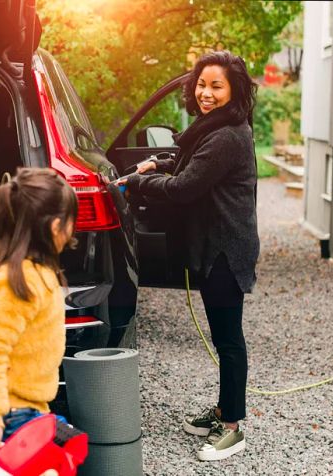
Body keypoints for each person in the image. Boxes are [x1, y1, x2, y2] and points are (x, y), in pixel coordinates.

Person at [121, 50, 259, 461]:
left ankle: (233, 428)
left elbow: (184, 187)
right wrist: (156, 163)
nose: (206, 92)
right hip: (214, 246)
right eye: (202, 84)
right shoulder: (213, 128)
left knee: (229, 340)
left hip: (225, 250)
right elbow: (189, 163)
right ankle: (221, 410)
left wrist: (140, 183)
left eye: (217, 85)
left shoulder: (228, 135)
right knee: (222, 336)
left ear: (233, 90)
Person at [0, 168, 77, 449]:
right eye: (72, 221)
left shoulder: (32, 273)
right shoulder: (17, 282)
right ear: (55, 227)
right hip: (13, 414)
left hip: (30, 410)